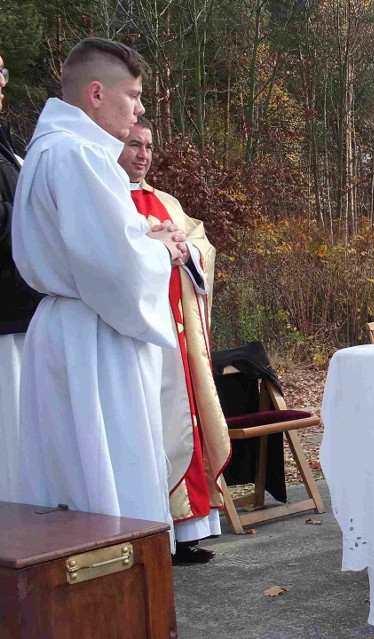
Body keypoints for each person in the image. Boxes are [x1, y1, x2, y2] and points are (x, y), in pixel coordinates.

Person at [12, 38, 186, 528]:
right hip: (96, 337)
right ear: (95, 93)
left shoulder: (47, 149)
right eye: (132, 95)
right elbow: (120, 270)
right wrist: (164, 249)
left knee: (72, 472)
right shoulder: (81, 155)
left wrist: (140, 237)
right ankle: (116, 586)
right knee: (108, 477)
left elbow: (96, 247)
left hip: (66, 326)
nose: (140, 107)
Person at [118, 116, 230, 564]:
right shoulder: (108, 199)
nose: (143, 154)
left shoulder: (166, 199)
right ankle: (154, 531)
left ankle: (188, 531)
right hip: (143, 337)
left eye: (147, 146)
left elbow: (203, 245)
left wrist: (188, 250)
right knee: (154, 428)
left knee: (185, 426)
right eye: (133, 145)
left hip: (179, 338)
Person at [0, 53, 44, 502]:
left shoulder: (8, 146)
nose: (0, 81)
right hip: (4, 321)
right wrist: (43, 216)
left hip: (22, 313)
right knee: (9, 449)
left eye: (1, 70)